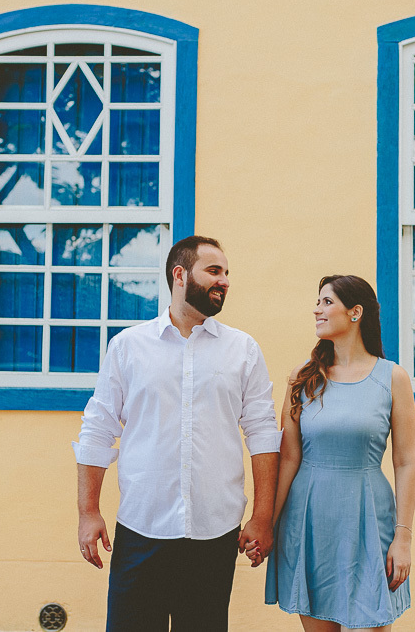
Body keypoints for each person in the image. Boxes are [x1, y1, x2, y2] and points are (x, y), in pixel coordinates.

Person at [73, 235, 280, 632]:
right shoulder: (127, 347)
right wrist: (88, 512)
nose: (225, 281)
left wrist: (263, 517)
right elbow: (97, 430)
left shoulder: (244, 350)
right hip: (141, 529)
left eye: (226, 273)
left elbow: (263, 434)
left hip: (215, 533)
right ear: (180, 275)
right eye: (214, 271)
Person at [264, 275, 415, 631]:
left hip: (369, 521)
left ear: (355, 313)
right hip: (309, 522)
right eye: (317, 302)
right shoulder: (302, 378)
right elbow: (288, 458)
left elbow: (406, 461)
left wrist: (404, 538)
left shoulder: (392, 378)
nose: (317, 309)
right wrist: (267, 524)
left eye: (327, 302)